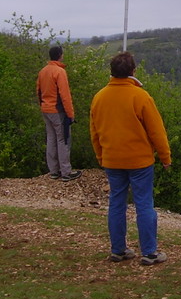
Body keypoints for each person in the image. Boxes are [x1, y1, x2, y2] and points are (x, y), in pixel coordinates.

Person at [90, 52, 172, 265]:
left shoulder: (99, 98)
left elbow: (94, 132)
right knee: (144, 203)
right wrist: (165, 156)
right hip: (139, 161)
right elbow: (156, 131)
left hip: (112, 159)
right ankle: (149, 252)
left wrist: (101, 155)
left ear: (111, 72)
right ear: (133, 72)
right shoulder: (140, 97)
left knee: (116, 203)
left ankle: (118, 250)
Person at [36, 46, 82, 182]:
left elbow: (38, 91)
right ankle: (66, 172)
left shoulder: (43, 71)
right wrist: (70, 114)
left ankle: (54, 171)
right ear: (60, 55)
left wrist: (42, 105)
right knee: (63, 139)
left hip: (46, 109)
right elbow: (65, 95)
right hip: (57, 111)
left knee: (51, 138)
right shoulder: (59, 72)